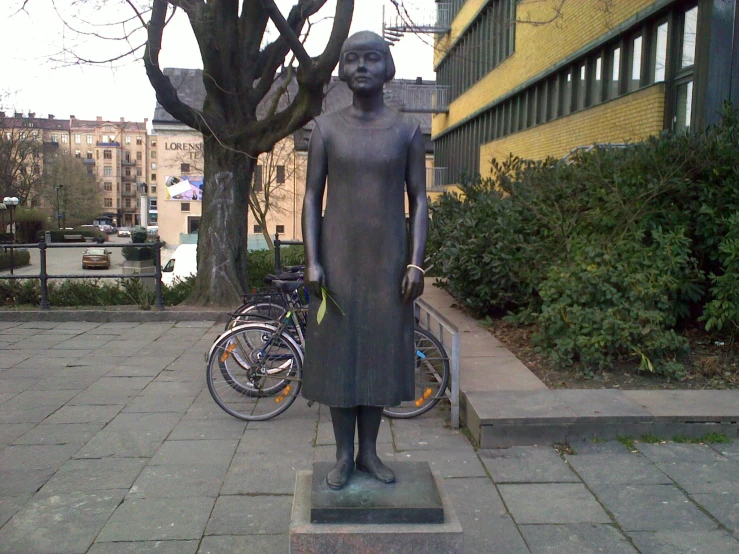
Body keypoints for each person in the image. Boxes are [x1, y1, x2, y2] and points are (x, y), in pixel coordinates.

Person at [301, 31, 429, 490]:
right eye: (352, 59)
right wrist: (312, 260)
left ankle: (370, 452)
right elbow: (312, 196)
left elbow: (419, 199)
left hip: (387, 264)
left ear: (387, 66)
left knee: (376, 355)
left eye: (371, 59)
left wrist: (416, 264)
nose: (361, 67)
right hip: (337, 262)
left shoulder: (407, 130)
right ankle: (341, 457)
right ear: (341, 69)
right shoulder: (327, 129)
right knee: (340, 358)